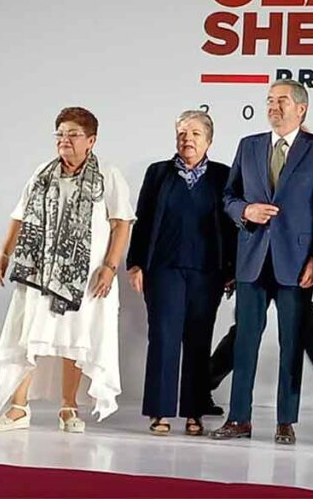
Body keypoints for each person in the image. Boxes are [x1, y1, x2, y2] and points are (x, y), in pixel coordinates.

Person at [0, 107, 134, 433]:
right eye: (60, 134)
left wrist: (110, 267)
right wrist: (4, 252)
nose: (64, 140)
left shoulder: (107, 175)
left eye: (73, 134)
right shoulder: (42, 173)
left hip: (85, 277)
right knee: (29, 336)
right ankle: (18, 408)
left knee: (76, 337)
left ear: (91, 140)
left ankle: (69, 407)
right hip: (38, 272)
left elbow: (121, 224)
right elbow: (20, 215)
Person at [210, 79, 313, 445]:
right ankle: (239, 419)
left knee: (291, 343)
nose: (273, 107)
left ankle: (285, 421)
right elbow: (229, 196)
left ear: (301, 109)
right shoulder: (248, 145)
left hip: (296, 263)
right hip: (252, 258)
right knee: (245, 342)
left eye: (282, 101)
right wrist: (245, 210)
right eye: (269, 100)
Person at [126, 110, 236, 436]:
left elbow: (231, 227)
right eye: (182, 134)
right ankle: (160, 412)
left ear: (209, 141)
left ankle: (194, 412)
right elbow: (143, 219)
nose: (187, 139)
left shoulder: (223, 175)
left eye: (195, 134)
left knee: (199, 340)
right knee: (163, 337)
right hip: (163, 269)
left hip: (208, 272)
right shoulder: (158, 173)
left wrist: (232, 268)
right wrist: (135, 263)